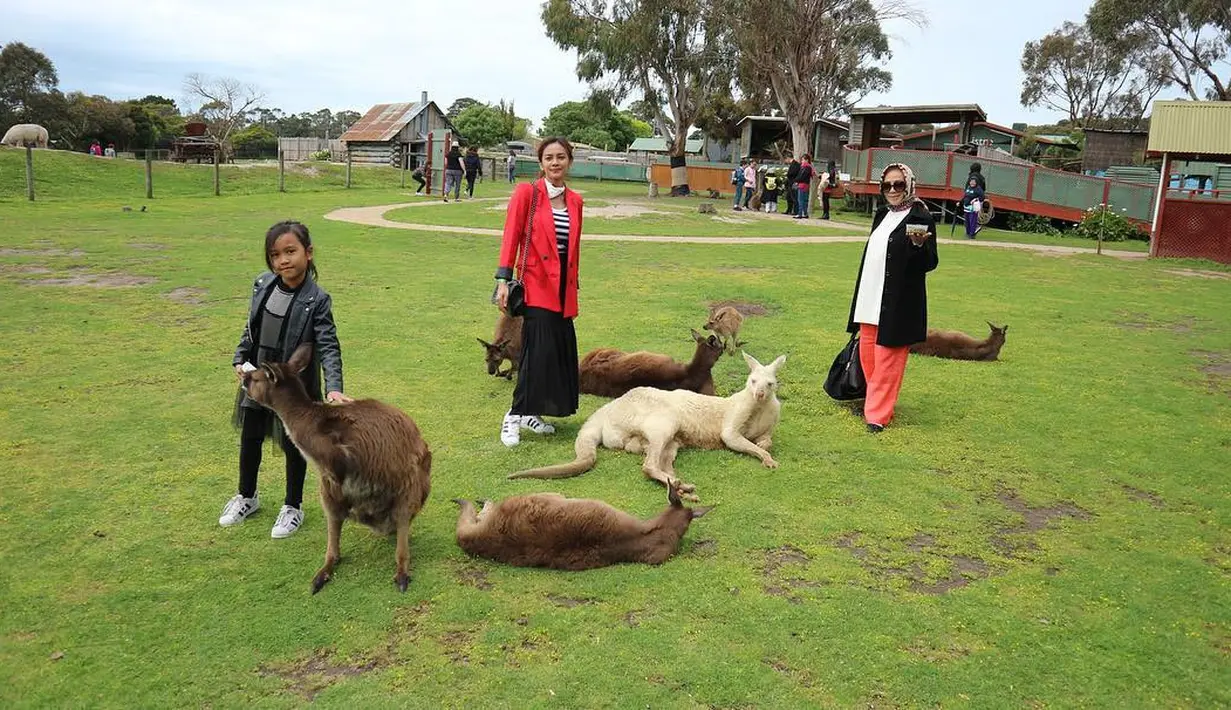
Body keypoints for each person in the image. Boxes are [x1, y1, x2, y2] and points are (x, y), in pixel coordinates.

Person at [221, 220, 353, 536]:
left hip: (294, 388)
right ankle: (246, 496)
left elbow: (329, 344)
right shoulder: (263, 285)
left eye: (290, 251)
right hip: (259, 380)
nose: (283, 260)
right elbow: (250, 328)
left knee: (295, 444)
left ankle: (292, 506)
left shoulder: (317, 299)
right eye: (275, 254)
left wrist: (333, 388)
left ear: (308, 253)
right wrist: (241, 357)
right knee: (250, 436)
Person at [492, 137, 584, 447]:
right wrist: (503, 280)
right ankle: (514, 414)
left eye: (561, 157)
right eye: (549, 158)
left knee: (555, 354)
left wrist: (574, 284)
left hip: (563, 290)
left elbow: (573, 249)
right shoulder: (527, 193)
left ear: (569, 161)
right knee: (536, 354)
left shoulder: (576, 202)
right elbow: (511, 238)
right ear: (541, 163)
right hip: (535, 285)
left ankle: (533, 413)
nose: (555, 162)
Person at [845, 163, 938, 434]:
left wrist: (918, 247)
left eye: (898, 184)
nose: (893, 190)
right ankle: (877, 400)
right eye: (887, 185)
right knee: (868, 358)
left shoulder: (920, 215)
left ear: (908, 184)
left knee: (888, 361)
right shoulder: (882, 214)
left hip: (897, 304)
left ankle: (877, 415)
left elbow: (929, 262)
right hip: (869, 299)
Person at [794, 154, 814, 219]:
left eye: (803, 160)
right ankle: (805, 213)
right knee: (804, 200)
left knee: (800, 199)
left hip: (802, 184)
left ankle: (800, 213)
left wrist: (796, 180)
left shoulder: (806, 167)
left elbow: (802, 176)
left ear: (806, 160)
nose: (802, 161)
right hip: (805, 184)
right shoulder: (807, 167)